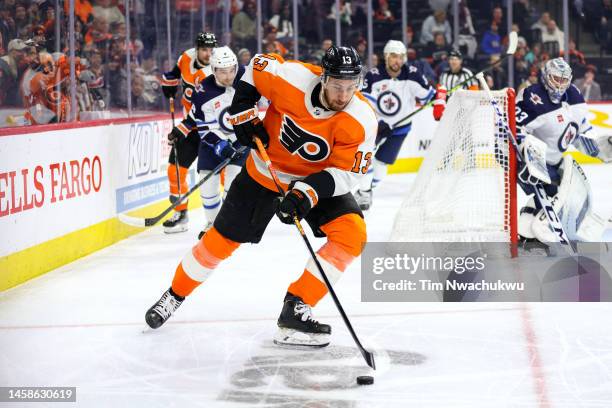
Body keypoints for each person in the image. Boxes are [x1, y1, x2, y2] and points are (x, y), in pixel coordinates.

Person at [145, 46, 377, 349]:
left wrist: (306, 193)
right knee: (219, 241)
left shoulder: (361, 119)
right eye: (337, 86)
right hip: (263, 174)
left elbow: (348, 174)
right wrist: (243, 111)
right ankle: (174, 295)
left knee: (352, 234)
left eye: (350, 87)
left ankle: (295, 309)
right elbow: (256, 66)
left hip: (315, 181)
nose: (343, 95)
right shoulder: (293, 77)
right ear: (323, 78)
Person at [515, 58, 611, 247]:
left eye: (564, 80)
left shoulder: (574, 94)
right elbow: (515, 129)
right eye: (556, 79)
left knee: (559, 198)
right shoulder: (532, 96)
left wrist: (599, 148)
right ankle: (530, 233)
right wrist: (525, 154)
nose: (560, 84)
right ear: (546, 76)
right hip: (533, 162)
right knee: (552, 195)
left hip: (555, 161)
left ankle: (527, 231)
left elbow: (580, 128)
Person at [166, 46, 248, 235]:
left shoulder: (246, 78)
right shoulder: (203, 91)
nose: (228, 76)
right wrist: (220, 144)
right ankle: (212, 225)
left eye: (231, 71)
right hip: (212, 144)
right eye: (222, 72)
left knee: (233, 186)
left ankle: (226, 227)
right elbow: (204, 127)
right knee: (208, 188)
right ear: (213, 69)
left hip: (240, 142)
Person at [354, 40, 434, 210]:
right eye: (393, 56)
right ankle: (365, 191)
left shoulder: (413, 74)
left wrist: (440, 96)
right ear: (386, 57)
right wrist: (379, 122)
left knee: (382, 163)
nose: (397, 60)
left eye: (400, 57)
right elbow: (365, 101)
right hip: (376, 126)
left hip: (400, 127)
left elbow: (428, 95)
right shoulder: (374, 75)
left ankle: (367, 190)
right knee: (366, 155)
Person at [161, 32, 217, 233]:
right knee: (175, 170)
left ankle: (222, 219)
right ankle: (181, 213)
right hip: (189, 127)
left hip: (210, 128)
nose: (208, 54)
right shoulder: (186, 57)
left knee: (219, 175)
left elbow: (204, 107)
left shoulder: (214, 70)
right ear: (197, 48)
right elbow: (175, 74)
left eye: (211, 50)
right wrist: (168, 83)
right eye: (204, 49)